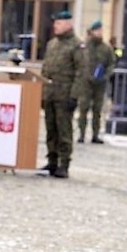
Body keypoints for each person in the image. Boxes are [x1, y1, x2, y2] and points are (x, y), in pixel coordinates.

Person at [39, 10, 87, 178]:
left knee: (64, 130)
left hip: (65, 95)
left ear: (68, 24)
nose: (55, 26)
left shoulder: (77, 45)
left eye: (59, 23)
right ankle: (52, 160)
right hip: (50, 94)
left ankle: (64, 163)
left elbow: (81, 73)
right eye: (55, 23)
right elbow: (45, 69)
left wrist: (74, 96)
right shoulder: (52, 44)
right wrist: (42, 92)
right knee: (51, 129)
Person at [77, 20, 115, 144]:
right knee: (83, 108)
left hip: (100, 83)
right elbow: (78, 63)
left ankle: (95, 134)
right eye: (97, 30)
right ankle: (81, 134)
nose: (99, 33)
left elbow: (111, 64)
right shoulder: (84, 47)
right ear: (92, 31)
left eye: (100, 30)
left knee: (97, 109)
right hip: (85, 82)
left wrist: (105, 76)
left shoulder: (106, 48)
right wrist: (82, 76)